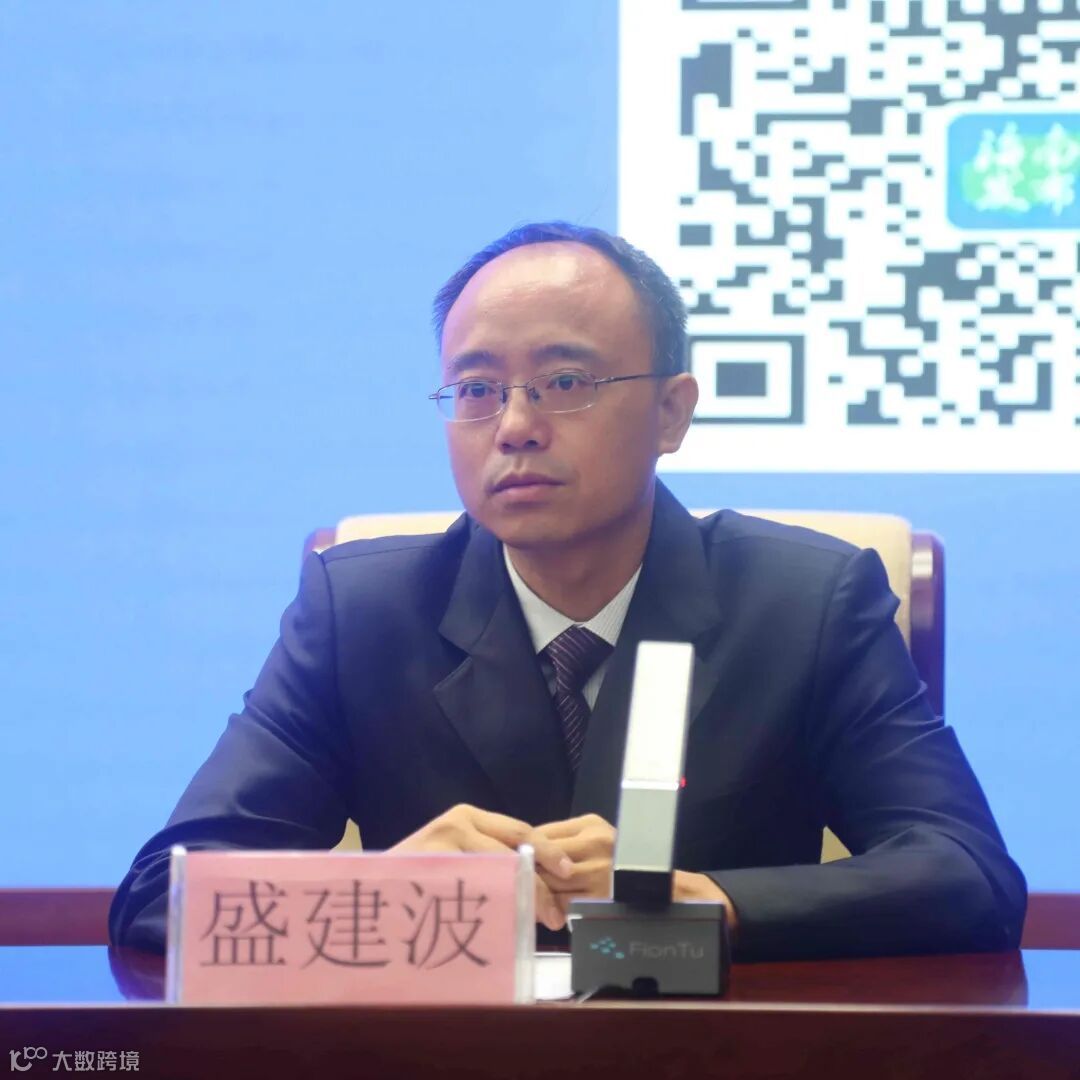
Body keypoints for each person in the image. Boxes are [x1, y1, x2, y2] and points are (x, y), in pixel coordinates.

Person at [109, 222, 1026, 959]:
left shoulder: (805, 602)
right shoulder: (362, 612)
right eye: (476, 389)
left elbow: (967, 876)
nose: (514, 425)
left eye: (564, 381)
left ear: (672, 412)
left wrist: (711, 903)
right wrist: (385, 889)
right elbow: (158, 898)